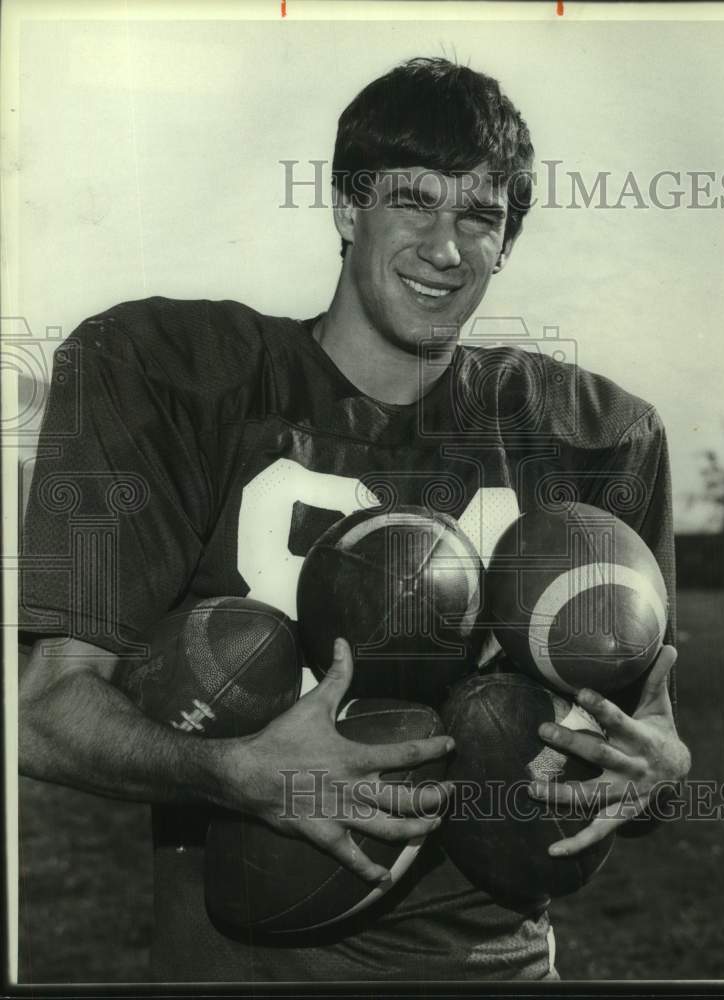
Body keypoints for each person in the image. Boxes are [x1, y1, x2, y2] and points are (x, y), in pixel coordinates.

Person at [18, 57, 690, 982]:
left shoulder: (585, 433)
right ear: (344, 209)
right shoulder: (174, 375)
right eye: (412, 201)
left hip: (498, 962)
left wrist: (657, 776)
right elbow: (44, 712)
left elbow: (645, 743)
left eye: (480, 216)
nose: (445, 247)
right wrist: (233, 774)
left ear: (508, 244)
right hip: (246, 963)